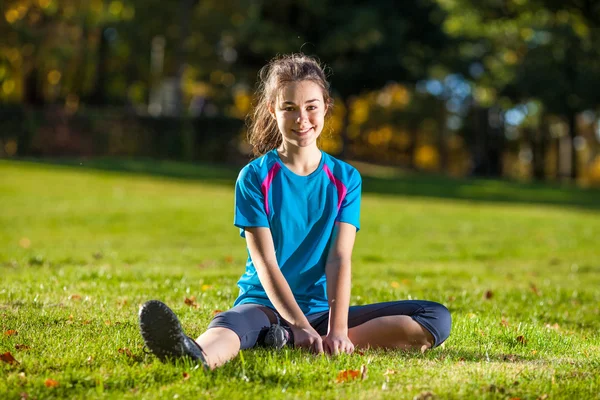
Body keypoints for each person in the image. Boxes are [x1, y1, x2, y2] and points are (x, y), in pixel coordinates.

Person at [138, 53, 451, 369]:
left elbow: (339, 258)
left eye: (311, 107)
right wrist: (297, 324)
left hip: (321, 312)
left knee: (435, 317)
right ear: (273, 110)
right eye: (289, 108)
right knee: (232, 325)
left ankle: (294, 340)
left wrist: (337, 330)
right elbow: (265, 262)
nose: (302, 118)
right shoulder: (255, 177)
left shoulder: (345, 179)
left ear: (326, 108)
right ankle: (195, 355)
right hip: (264, 305)